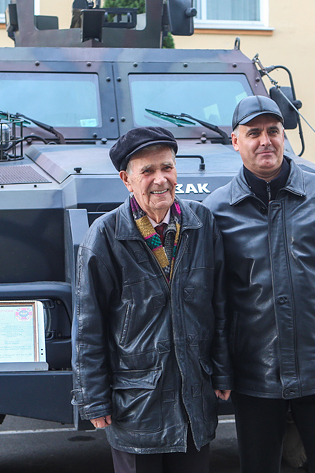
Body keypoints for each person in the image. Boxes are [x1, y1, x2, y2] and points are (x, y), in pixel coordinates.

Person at [203, 96, 315, 473]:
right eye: (253, 133)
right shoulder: (216, 210)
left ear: (284, 136)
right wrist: (221, 368)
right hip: (254, 372)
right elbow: (215, 300)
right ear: (236, 141)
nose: (265, 141)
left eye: (273, 131)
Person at [72, 126, 232, 473]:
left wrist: (222, 372)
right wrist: (93, 397)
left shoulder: (202, 223)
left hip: (193, 401)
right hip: (137, 404)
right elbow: (88, 326)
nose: (160, 179)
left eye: (167, 167)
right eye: (147, 171)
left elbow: (218, 306)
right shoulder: (104, 236)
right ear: (126, 180)